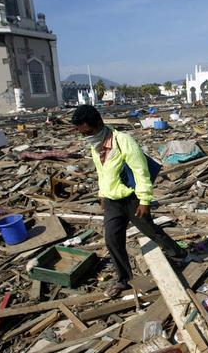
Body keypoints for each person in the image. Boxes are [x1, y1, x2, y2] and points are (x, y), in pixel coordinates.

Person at [71, 105, 188, 297]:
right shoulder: (96, 146)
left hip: (132, 199)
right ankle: (123, 279)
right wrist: (102, 193)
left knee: (150, 230)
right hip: (111, 202)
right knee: (112, 240)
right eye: (82, 134)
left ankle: (179, 254)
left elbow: (140, 171)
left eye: (88, 132)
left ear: (99, 123)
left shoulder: (123, 141)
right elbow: (101, 172)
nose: (86, 137)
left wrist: (145, 200)